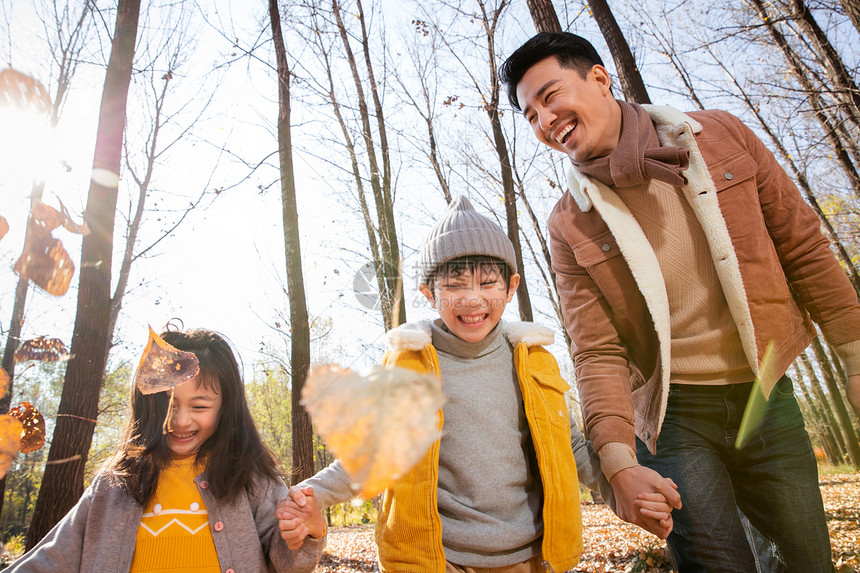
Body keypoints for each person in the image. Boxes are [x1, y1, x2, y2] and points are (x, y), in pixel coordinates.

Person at [500, 31, 860, 572]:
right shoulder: (568, 222)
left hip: (764, 393)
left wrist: (854, 357)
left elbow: (803, 247)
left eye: (550, 96)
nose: (544, 120)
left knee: (808, 561)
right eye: (530, 115)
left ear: (599, 78)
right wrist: (618, 459)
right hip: (674, 417)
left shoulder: (720, 137)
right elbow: (596, 350)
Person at [279, 196, 679, 572]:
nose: (472, 299)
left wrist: (624, 491)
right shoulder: (410, 363)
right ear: (429, 294)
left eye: (488, 283)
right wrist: (308, 495)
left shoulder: (532, 358)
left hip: (530, 555)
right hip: (439, 558)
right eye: (454, 286)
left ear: (511, 288)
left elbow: (569, 447)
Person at [8, 328, 325, 572]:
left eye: (200, 405)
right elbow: (51, 559)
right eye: (167, 405)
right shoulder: (113, 485)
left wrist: (306, 533)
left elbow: (287, 562)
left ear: (225, 408)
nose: (181, 420)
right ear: (146, 403)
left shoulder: (249, 477)